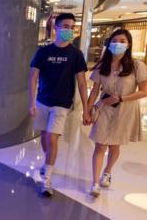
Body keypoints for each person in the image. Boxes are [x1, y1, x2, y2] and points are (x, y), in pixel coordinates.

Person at [29, 13, 90, 197]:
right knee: (44, 136)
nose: (69, 30)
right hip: (42, 101)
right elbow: (33, 78)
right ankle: (48, 162)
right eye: (65, 26)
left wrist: (86, 109)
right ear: (55, 28)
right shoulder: (43, 52)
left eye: (72, 27)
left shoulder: (76, 54)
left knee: (52, 138)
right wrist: (31, 103)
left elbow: (82, 83)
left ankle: (47, 178)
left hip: (62, 104)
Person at [86, 29, 147, 197]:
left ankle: (108, 171)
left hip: (125, 110)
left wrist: (122, 98)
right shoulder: (101, 65)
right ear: (109, 43)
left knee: (115, 145)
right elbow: (94, 91)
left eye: (122, 41)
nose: (118, 44)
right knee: (100, 144)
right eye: (114, 40)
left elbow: (144, 91)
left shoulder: (137, 66)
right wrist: (87, 111)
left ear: (128, 45)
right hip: (104, 108)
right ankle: (95, 182)